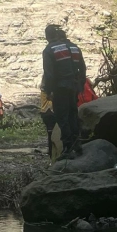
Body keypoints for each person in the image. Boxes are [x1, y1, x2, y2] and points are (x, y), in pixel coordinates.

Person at [42, 24, 86, 157]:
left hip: (60, 88)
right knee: (73, 114)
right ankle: (77, 144)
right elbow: (81, 67)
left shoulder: (49, 50)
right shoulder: (70, 47)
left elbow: (49, 74)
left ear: (47, 36)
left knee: (62, 117)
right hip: (73, 86)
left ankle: (67, 147)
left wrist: (48, 91)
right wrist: (80, 85)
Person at [39, 77, 60, 161]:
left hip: (45, 112)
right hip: (50, 112)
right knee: (52, 135)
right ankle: (53, 155)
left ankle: (52, 155)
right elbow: (51, 97)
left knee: (50, 134)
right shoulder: (49, 89)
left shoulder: (43, 86)